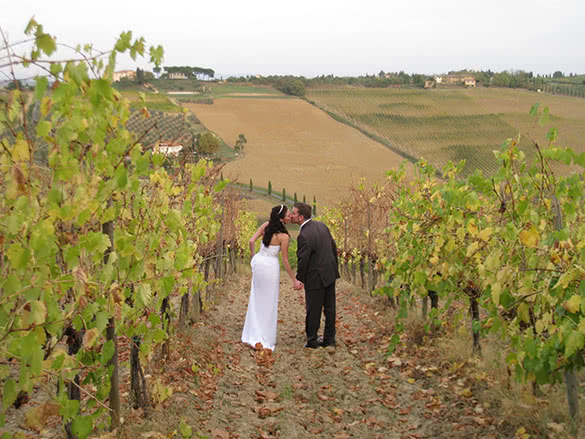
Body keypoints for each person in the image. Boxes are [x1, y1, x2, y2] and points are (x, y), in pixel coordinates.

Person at [241, 205, 301, 351]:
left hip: (259, 263)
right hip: (271, 267)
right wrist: (294, 280)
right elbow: (285, 261)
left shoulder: (265, 226)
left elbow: (251, 241)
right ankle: (264, 334)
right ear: (281, 218)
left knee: (256, 298)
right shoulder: (284, 237)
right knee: (269, 301)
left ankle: (252, 331)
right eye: (287, 215)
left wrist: (253, 257)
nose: (289, 217)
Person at [290, 202, 340, 349]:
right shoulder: (322, 226)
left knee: (314, 309)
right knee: (330, 308)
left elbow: (303, 260)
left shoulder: (303, 235)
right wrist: (334, 267)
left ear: (300, 217)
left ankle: (312, 340)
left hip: (315, 277)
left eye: (293, 213)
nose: (291, 215)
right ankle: (329, 339)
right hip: (329, 273)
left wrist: (300, 279)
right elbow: (333, 247)